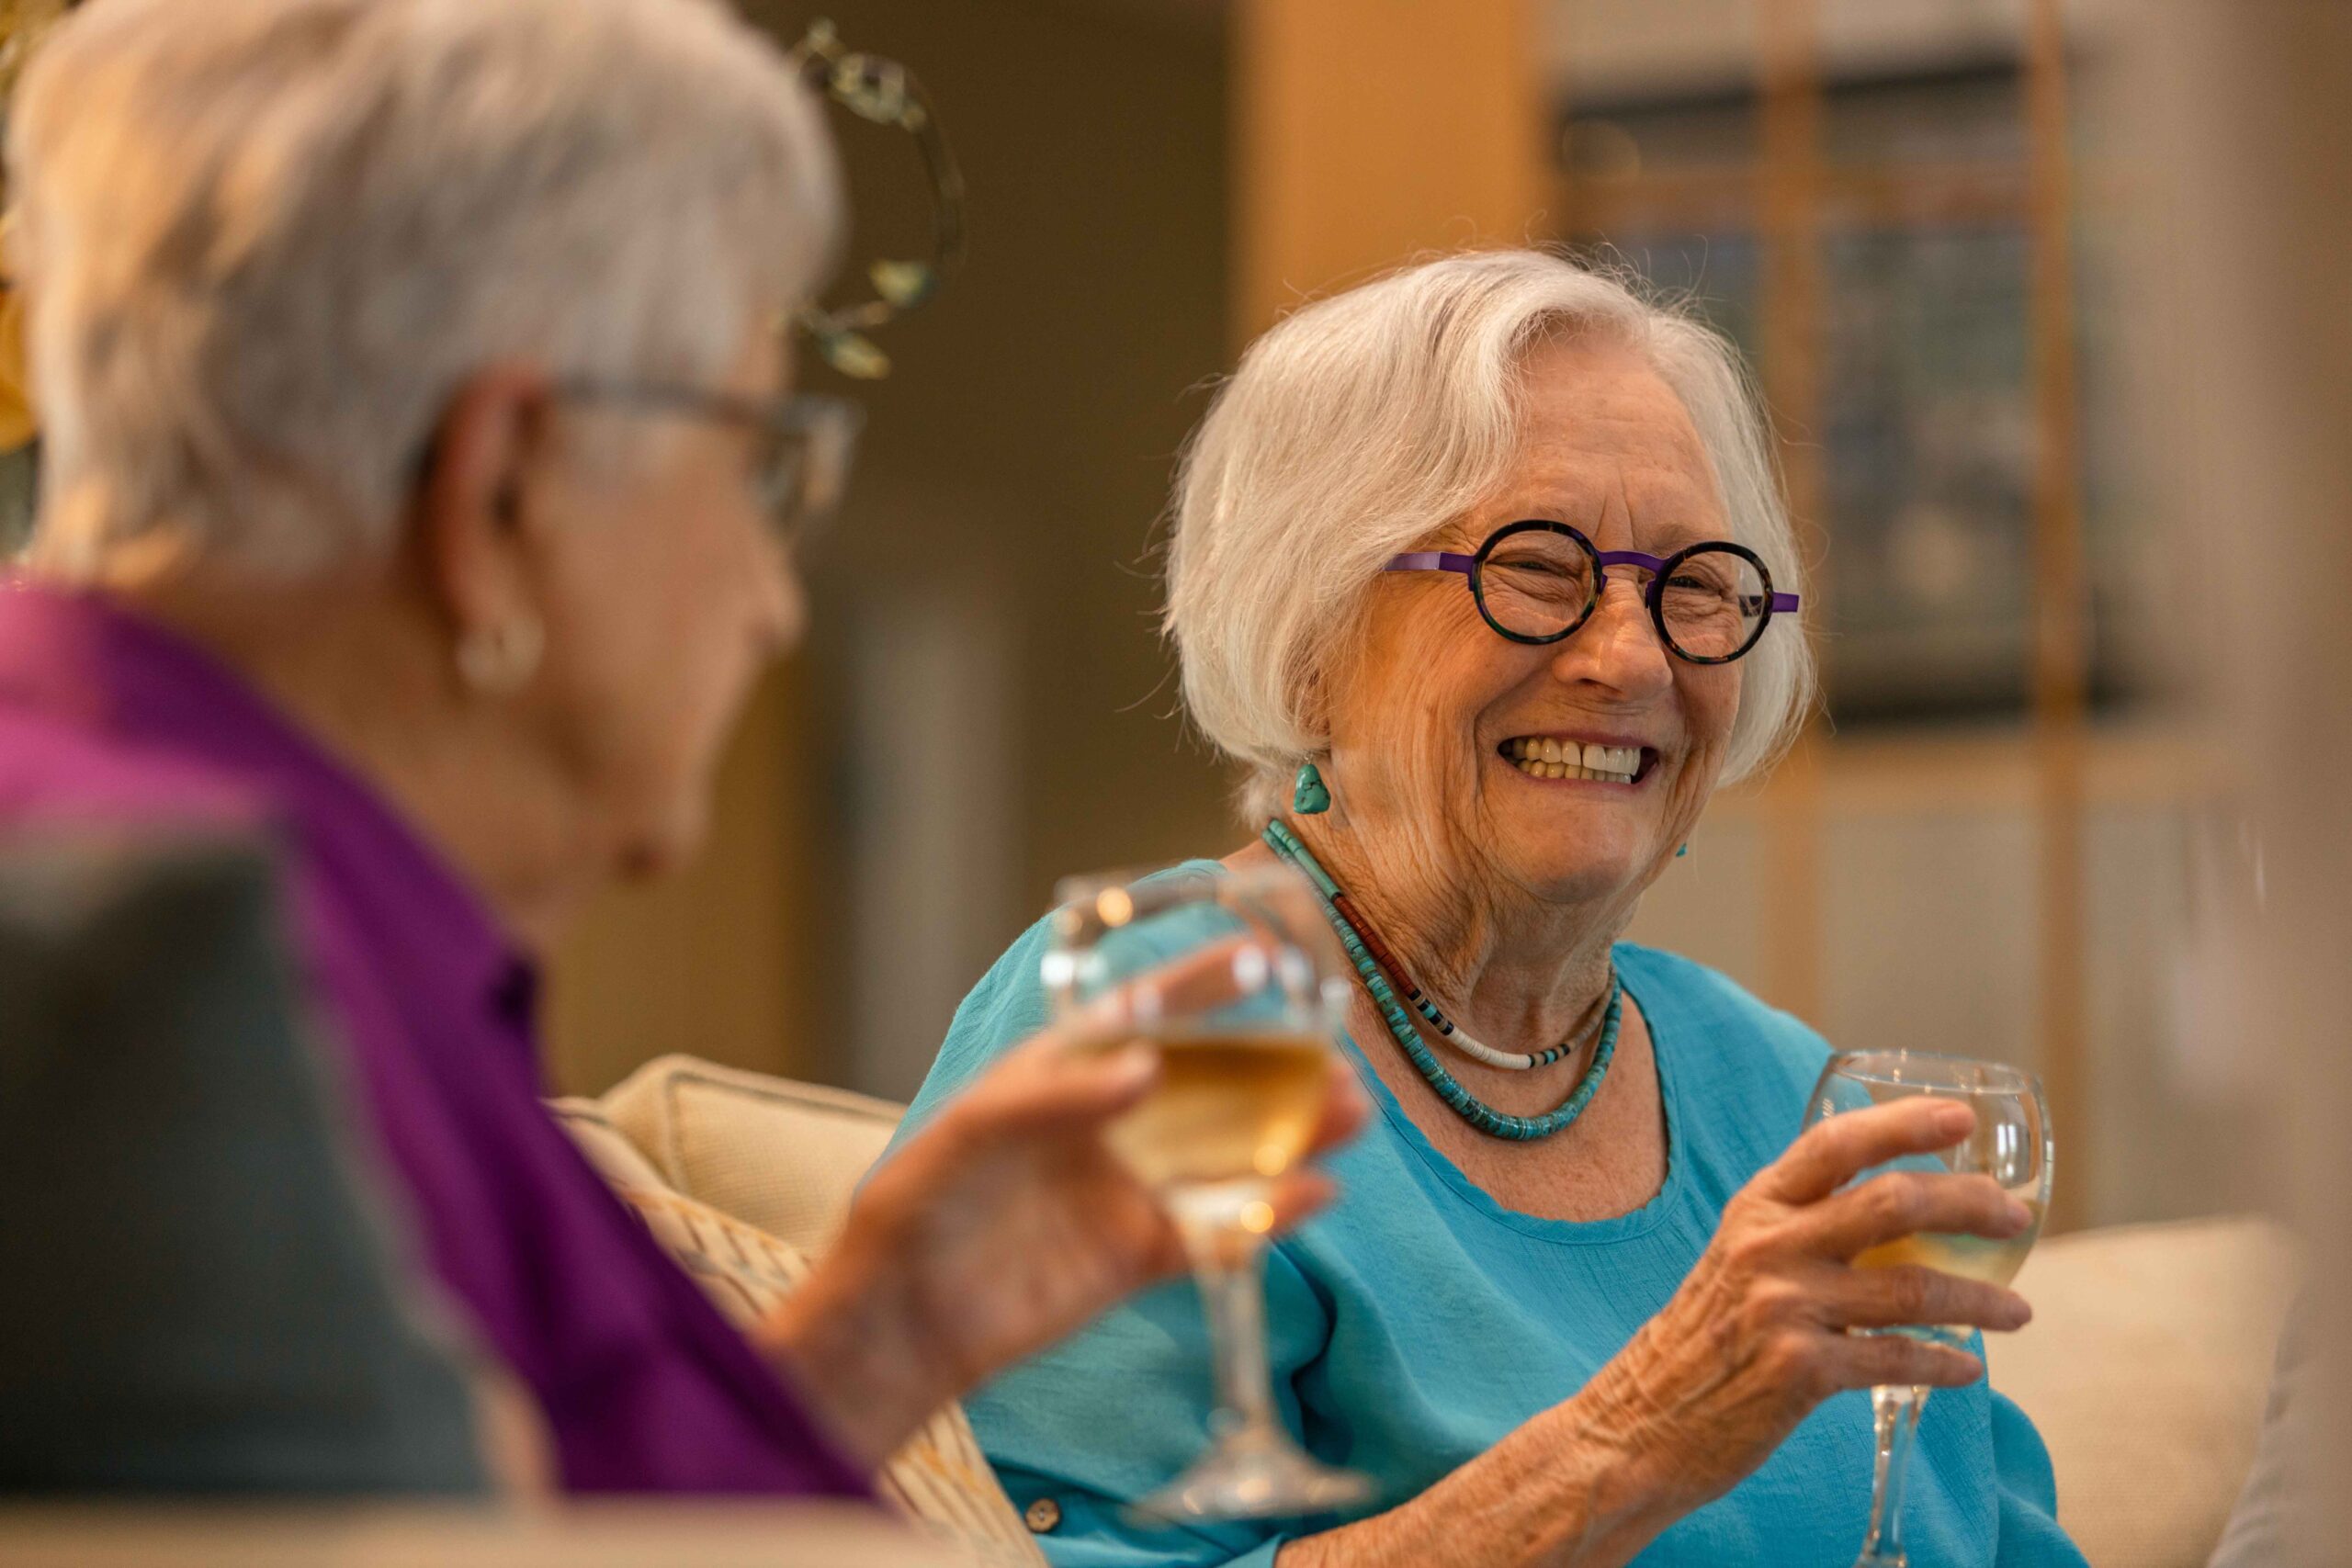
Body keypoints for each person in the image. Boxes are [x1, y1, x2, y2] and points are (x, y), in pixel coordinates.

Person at [0, 0, 1363, 1495]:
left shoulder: (312, 918)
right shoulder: (159, 968)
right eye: (752, 462)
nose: (774, 605)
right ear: (504, 489)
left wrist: (886, 1341)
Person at [895, 250, 2086, 1564]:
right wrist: (1634, 1441)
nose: (1630, 656)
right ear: (1311, 630)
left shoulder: (1801, 1099)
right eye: (1536, 564)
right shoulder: (1163, 1026)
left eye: (1693, 587)